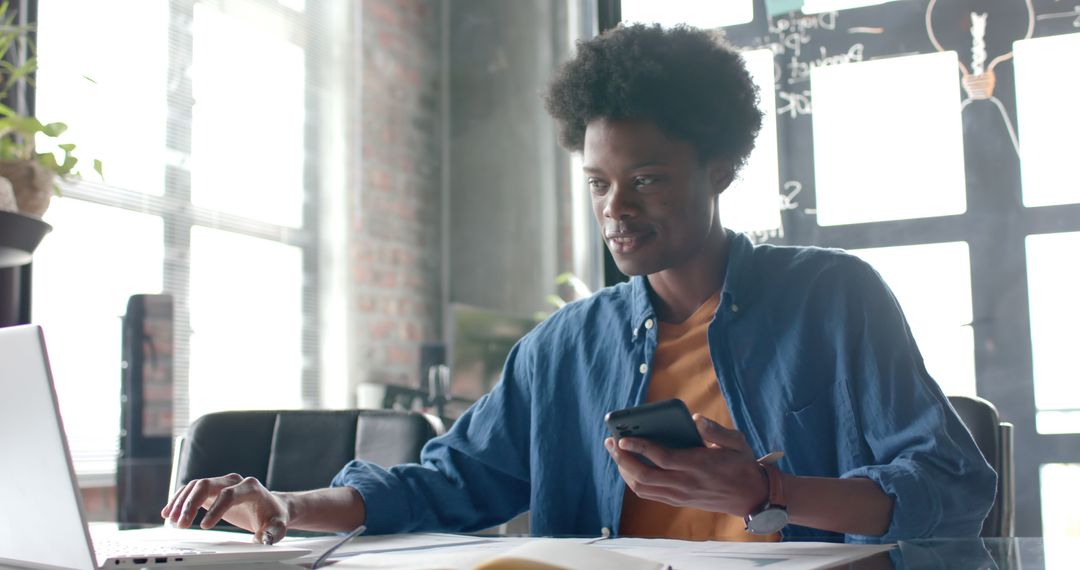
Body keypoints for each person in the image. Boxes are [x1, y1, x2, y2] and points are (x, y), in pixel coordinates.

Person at [162, 24, 995, 545]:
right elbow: (448, 482)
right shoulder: (566, 346)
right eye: (598, 182)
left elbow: (954, 490)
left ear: (721, 168)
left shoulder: (834, 301)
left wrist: (767, 491)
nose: (616, 209)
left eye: (648, 179)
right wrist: (286, 503)